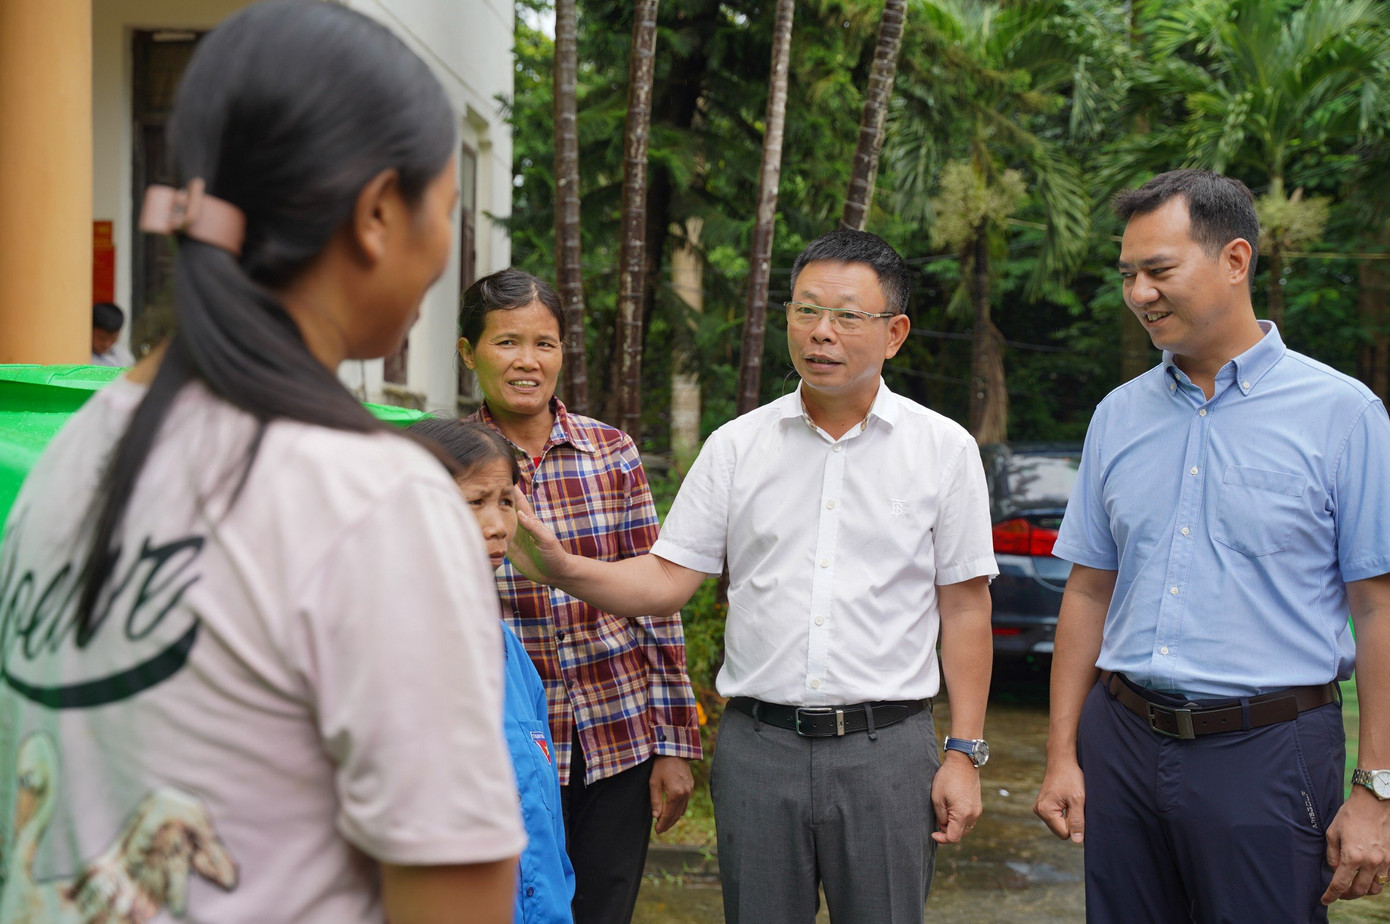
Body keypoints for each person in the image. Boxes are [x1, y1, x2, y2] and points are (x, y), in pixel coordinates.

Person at [0, 4, 524, 922]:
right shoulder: (372, 497)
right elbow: (455, 895)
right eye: (444, 211)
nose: (446, 253)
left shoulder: (65, 458)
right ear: (377, 214)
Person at [508, 229, 997, 924]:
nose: (821, 332)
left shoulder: (943, 449)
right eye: (806, 310)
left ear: (894, 333)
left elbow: (966, 608)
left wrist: (964, 753)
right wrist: (560, 567)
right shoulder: (737, 446)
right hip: (759, 753)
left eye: (847, 316)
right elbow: (667, 581)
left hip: (887, 754)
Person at [1033, 169, 1390, 921]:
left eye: (1159, 270)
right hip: (1122, 738)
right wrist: (1063, 753)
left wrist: (1376, 788)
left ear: (1235, 260)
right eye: (1127, 275)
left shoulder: (1344, 415)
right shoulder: (1117, 416)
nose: (1139, 293)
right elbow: (1089, 590)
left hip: (1269, 750)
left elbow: (1377, 609)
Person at [458, 268, 701, 924]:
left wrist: (674, 742)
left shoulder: (610, 452)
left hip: (613, 735)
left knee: (603, 909)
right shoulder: (452, 463)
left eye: (545, 344)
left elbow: (658, 602)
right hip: (497, 744)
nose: (527, 362)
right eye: (507, 342)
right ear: (469, 352)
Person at [407, 415, 576, 924]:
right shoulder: (386, 655)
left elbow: (544, 820)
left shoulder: (508, 651)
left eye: (505, 501)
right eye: (475, 501)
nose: (499, 525)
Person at [90, 301, 135, 366]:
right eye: (101, 338)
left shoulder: (124, 355)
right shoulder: (82, 357)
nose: (106, 344)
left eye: (112, 338)